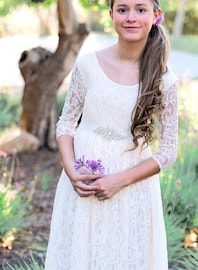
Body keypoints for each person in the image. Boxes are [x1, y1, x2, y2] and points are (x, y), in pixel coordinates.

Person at [45, 0, 178, 268]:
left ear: (156, 15)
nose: (131, 17)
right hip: (83, 183)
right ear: (111, 15)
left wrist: (119, 181)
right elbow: (66, 123)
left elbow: (168, 151)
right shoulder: (87, 65)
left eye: (140, 9)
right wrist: (72, 171)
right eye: (122, 9)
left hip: (131, 190)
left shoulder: (164, 80)